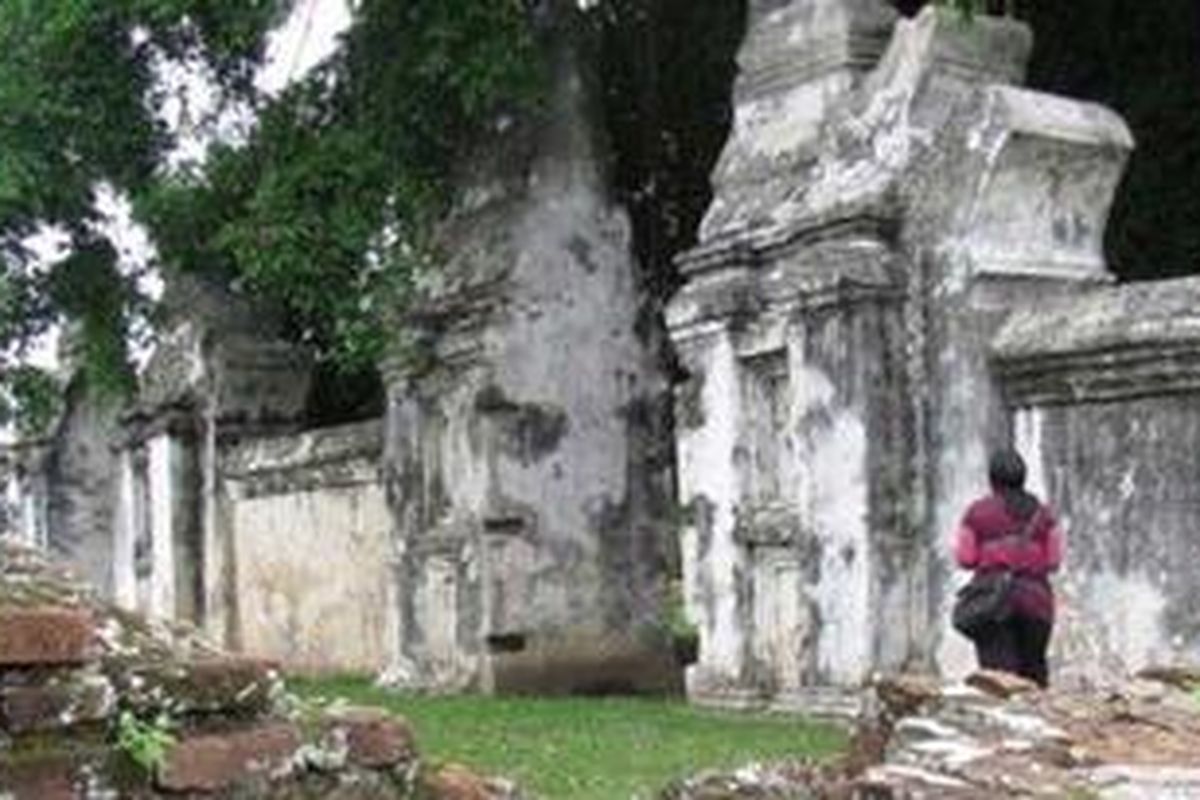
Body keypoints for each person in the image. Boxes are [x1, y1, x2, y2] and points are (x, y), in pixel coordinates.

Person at [953, 448, 1064, 687]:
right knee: (1033, 675)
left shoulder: (977, 513)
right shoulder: (1044, 515)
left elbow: (965, 558)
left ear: (992, 479)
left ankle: (1003, 724)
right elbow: (1054, 562)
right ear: (1023, 477)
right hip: (1036, 603)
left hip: (994, 604)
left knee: (998, 681)